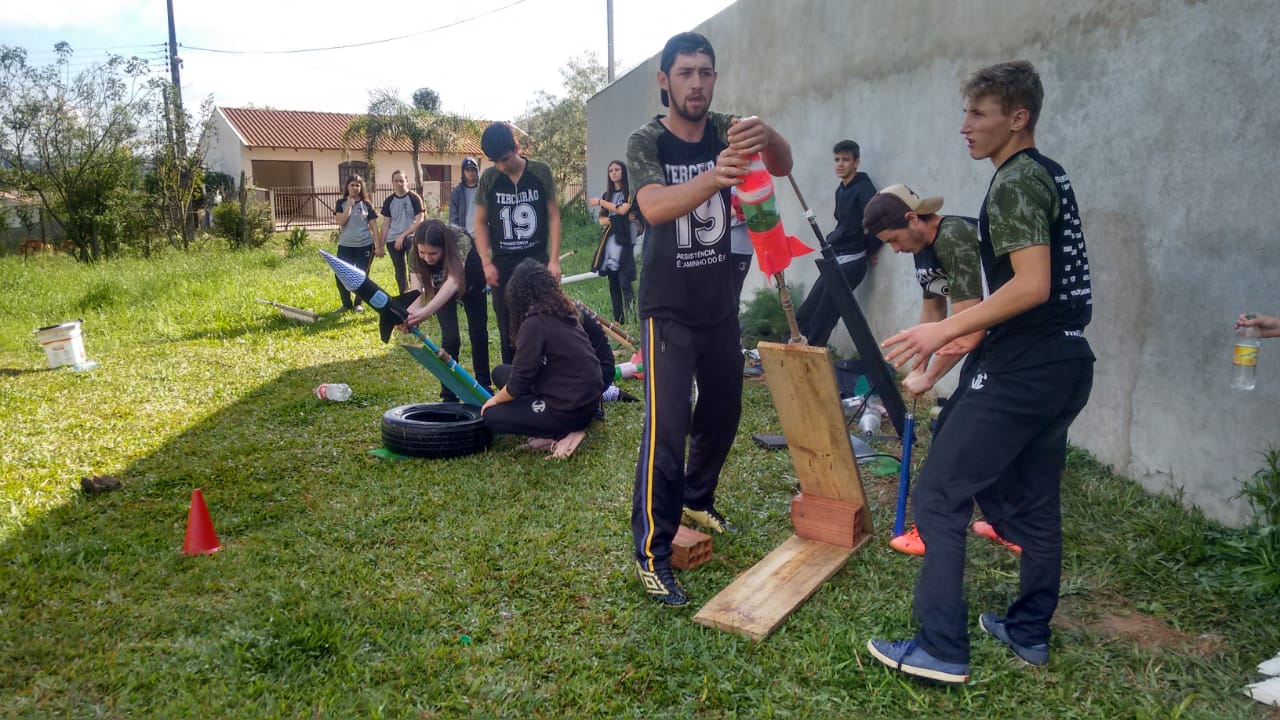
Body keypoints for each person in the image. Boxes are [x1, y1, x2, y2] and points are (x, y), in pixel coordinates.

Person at [868, 61, 1095, 684]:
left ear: (1017, 118)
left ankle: (941, 647)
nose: (964, 126)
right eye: (965, 112)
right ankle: (1028, 631)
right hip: (1068, 360)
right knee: (1037, 507)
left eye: (977, 113)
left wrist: (943, 333)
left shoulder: (1016, 180)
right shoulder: (1045, 174)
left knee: (938, 497)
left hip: (1025, 362)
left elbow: (1032, 285)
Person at [626, 31, 793, 607]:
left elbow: (784, 164)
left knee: (723, 413)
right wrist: (716, 176)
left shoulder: (728, 128)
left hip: (719, 305)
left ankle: (698, 499)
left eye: (705, 72)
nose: (696, 84)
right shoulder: (647, 140)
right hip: (668, 310)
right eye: (685, 73)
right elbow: (653, 207)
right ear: (664, 81)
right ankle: (652, 554)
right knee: (667, 430)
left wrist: (768, 136)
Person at [862, 184, 1018, 557]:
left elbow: (969, 328)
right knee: (972, 431)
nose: (894, 249)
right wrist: (917, 363)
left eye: (894, 239)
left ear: (912, 219)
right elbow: (934, 313)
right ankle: (1008, 524)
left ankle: (935, 528)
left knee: (955, 430)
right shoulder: (922, 246)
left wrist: (931, 377)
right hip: (989, 338)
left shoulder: (954, 236)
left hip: (1013, 338)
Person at [480, 259, 602, 458]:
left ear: (518, 295)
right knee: (500, 372)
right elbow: (524, 373)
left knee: (491, 416)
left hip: (570, 410)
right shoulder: (561, 311)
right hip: (586, 400)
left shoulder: (535, 324)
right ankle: (551, 424)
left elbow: (518, 383)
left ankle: (562, 434)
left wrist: (493, 400)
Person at [472, 122, 563, 365]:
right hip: (503, 264)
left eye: (505, 159)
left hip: (537, 259)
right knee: (508, 327)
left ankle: (548, 374)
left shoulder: (540, 172)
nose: (501, 166)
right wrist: (486, 262)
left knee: (546, 318)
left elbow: (553, 215)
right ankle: (514, 377)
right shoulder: (490, 178)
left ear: (516, 147)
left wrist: (554, 259)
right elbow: (479, 223)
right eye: (495, 162)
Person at [793, 140, 880, 347]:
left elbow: (875, 221)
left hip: (851, 261)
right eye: (837, 159)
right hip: (835, 258)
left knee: (824, 316)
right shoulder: (841, 189)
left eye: (846, 160)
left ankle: (812, 357)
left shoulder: (864, 189)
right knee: (807, 311)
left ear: (856, 162)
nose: (840, 164)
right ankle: (792, 350)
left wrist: (871, 249)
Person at [403, 220, 492, 400]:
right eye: (422, 253)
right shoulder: (414, 252)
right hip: (441, 287)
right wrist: (410, 316)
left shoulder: (460, 240)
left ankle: (484, 386)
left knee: (478, 333)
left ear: (444, 247)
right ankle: (449, 394)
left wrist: (426, 312)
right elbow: (416, 290)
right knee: (450, 338)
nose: (427, 258)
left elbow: (454, 282)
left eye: (433, 253)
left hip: (470, 280)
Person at [588, 160, 637, 323]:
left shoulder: (630, 192)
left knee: (625, 281)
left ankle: (632, 319)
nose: (614, 173)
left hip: (626, 241)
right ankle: (619, 320)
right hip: (610, 242)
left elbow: (624, 209)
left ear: (623, 171)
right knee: (613, 281)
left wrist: (601, 203)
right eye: (611, 171)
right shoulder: (607, 195)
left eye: (617, 169)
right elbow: (602, 220)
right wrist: (620, 218)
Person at [332, 175, 382, 313]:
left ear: (361, 188)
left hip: (365, 245)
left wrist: (378, 246)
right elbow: (341, 221)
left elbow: (373, 226)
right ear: (347, 187)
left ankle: (358, 303)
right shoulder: (341, 203)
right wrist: (349, 205)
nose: (355, 188)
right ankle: (346, 304)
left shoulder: (367, 204)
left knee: (361, 276)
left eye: (357, 185)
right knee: (340, 274)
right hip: (346, 245)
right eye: (352, 185)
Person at [379, 169, 425, 293]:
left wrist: (403, 236)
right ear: (392, 183)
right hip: (392, 240)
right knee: (399, 271)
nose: (399, 183)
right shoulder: (389, 201)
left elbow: (420, 220)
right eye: (396, 181)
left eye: (402, 181)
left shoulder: (414, 198)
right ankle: (404, 296)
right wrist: (380, 245)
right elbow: (385, 225)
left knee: (414, 268)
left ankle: (416, 293)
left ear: (407, 182)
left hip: (410, 237)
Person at [449, 157, 481, 234]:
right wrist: (458, 234)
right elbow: (453, 217)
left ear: (477, 171)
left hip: (482, 234)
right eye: (467, 170)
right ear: (463, 172)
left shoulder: (484, 189)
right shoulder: (457, 192)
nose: (470, 172)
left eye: (473, 170)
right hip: (464, 235)